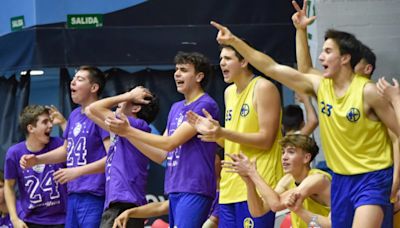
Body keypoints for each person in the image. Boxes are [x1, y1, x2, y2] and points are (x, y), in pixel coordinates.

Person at [210, 17, 400, 228]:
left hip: (371, 177)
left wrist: (396, 100)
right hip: (341, 179)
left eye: (328, 51)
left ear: (345, 58)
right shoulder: (321, 86)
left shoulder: (368, 92)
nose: (321, 56)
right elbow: (273, 67)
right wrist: (235, 41)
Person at [104, 52, 220, 228]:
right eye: (176, 69)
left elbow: (170, 143)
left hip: (195, 187)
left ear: (199, 76)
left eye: (183, 70)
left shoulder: (205, 104)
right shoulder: (176, 107)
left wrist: (128, 131)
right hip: (175, 187)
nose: (177, 74)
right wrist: (127, 133)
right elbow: (162, 154)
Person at [186, 39, 283, 228]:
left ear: (244, 61)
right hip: (230, 186)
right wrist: (215, 135)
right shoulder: (229, 92)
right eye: (221, 58)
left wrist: (223, 131)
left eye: (228, 58)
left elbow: (266, 140)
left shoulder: (263, 87)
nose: (221, 63)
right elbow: (233, 143)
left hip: (257, 185)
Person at [20, 66, 110, 228]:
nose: (73, 82)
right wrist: (37, 159)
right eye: (74, 78)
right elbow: (67, 150)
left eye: (80, 79)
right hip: (73, 194)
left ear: (94, 88)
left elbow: (112, 158)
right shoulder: (75, 115)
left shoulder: (102, 115)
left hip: (94, 194)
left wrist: (77, 171)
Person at [84, 86, 159, 228]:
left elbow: (94, 108)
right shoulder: (124, 129)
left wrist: (128, 95)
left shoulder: (135, 124)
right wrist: (129, 97)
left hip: (125, 204)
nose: (118, 105)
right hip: (119, 205)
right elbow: (89, 111)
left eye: (128, 100)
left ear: (136, 108)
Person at [223, 134, 331, 228]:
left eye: (291, 152)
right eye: (283, 152)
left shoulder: (317, 179)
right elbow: (258, 211)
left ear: (306, 158)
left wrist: (253, 173)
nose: (284, 157)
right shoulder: (287, 180)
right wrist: (249, 182)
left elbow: (276, 204)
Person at [5, 105, 68, 228]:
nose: (50, 125)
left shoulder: (59, 144)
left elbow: (75, 148)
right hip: (31, 221)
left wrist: (63, 123)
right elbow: (9, 186)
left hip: (62, 219)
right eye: (45, 122)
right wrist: (14, 219)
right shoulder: (14, 153)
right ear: (31, 128)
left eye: (50, 121)